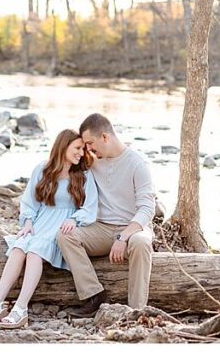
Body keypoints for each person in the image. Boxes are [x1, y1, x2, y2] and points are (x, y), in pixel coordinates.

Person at [0, 129, 99, 329]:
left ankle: (20, 309)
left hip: (62, 227)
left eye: (83, 149)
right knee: (19, 249)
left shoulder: (84, 176)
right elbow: (30, 201)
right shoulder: (41, 169)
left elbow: (90, 208)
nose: (81, 153)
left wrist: (74, 219)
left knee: (35, 252)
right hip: (40, 222)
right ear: (63, 146)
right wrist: (27, 222)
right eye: (77, 148)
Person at [56, 113, 156, 314]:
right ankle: (93, 295)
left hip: (133, 229)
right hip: (100, 228)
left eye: (90, 143)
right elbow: (63, 164)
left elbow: (147, 208)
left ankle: (136, 311)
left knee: (141, 242)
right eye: (85, 146)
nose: (88, 149)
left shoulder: (138, 164)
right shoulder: (92, 162)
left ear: (105, 137)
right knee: (65, 235)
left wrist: (123, 236)